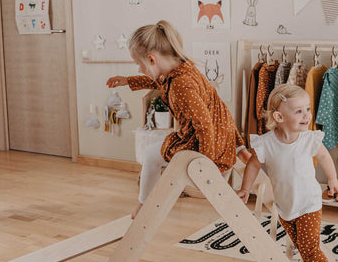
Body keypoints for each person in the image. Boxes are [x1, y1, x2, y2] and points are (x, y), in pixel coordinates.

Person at [106, 20, 250, 218]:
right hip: (221, 130)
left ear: (151, 59)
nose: (139, 69)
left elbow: (204, 124)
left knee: (150, 155)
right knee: (157, 153)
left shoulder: (181, 85)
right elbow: (159, 82)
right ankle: (238, 150)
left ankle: (143, 205)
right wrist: (129, 80)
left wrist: (205, 162)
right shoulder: (182, 69)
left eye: (139, 65)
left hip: (207, 141)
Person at [237, 83, 338, 262]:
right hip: (285, 206)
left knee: (310, 247)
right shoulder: (267, 143)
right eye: (299, 111)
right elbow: (253, 165)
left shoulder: (308, 139)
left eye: (308, 109)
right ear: (279, 116)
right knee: (304, 248)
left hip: (309, 203)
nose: (306, 115)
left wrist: (332, 179)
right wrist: (245, 188)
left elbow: (323, 157)